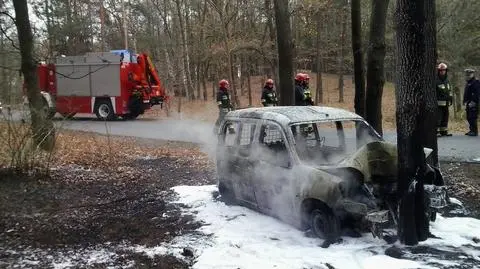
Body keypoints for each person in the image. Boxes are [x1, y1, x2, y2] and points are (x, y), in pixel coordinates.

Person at [436, 63, 453, 136]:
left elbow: (449, 91)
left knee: (445, 117)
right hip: (439, 104)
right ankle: (437, 132)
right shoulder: (436, 81)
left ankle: (444, 131)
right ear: (438, 71)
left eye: (444, 70)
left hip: (446, 103)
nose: (442, 72)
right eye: (441, 70)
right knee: (438, 117)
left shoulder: (447, 81)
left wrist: (451, 99)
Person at [463, 69, 480, 136]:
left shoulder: (476, 82)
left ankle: (474, 131)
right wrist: (464, 101)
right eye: (467, 74)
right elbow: (466, 93)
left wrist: (473, 102)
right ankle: (471, 130)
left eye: (469, 74)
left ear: (473, 74)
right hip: (468, 102)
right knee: (468, 117)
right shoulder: (468, 82)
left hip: (474, 103)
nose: (468, 76)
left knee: (473, 117)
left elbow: (477, 93)